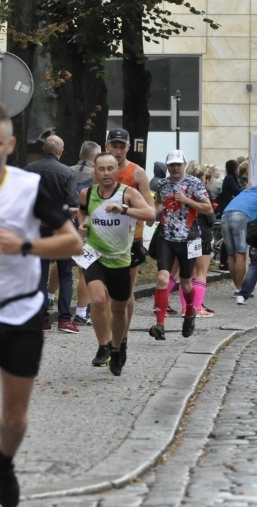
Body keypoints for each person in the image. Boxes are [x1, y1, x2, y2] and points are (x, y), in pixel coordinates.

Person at [0, 102, 83, 507]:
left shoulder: (29, 188)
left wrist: (24, 246)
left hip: (22, 312)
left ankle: (4, 462)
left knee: (14, 420)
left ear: (10, 145)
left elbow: (73, 242)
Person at [77, 152, 155, 374]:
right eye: (101, 169)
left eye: (110, 168)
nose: (106, 173)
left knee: (119, 309)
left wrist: (124, 209)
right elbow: (83, 214)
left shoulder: (128, 193)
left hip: (120, 258)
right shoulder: (87, 193)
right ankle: (103, 345)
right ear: (95, 172)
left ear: (117, 171)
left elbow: (150, 215)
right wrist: (83, 225)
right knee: (98, 300)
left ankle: (117, 347)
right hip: (94, 255)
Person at [150, 150, 213, 340]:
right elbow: (158, 203)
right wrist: (152, 213)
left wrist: (186, 200)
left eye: (179, 164)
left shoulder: (194, 183)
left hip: (189, 238)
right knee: (162, 278)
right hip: (166, 238)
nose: (175, 168)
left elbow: (208, 208)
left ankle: (191, 312)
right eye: (172, 165)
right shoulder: (162, 184)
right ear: (167, 166)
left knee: (186, 283)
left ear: (184, 165)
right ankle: (160, 325)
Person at [25, 134, 80, 334]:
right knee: (66, 275)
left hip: (38, 228)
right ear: (60, 151)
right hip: (61, 228)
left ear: (43, 150)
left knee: (40, 275)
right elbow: (72, 201)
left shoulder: (30, 169)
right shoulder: (66, 172)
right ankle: (65, 320)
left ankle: (42, 320)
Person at [108, 128, 154, 361]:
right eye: (114, 146)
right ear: (107, 146)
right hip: (104, 240)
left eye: (122, 147)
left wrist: (128, 210)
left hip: (130, 240)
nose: (118, 151)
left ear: (128, 148)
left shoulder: (137, 173)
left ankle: (122, 339)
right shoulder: (101, 171)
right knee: (105, 294)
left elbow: (150, 210)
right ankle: (109, 341)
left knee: (125, 294)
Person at [178, 163, 218, 318]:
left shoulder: (180, 190)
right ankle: (197, 307)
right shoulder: (203, 192)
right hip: (202, 234)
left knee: (187, 274)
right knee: (201, 272)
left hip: (185, 233)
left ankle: (185, 308)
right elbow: (211, 217)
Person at [222, 181, 257, 295]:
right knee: (240, 254)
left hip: (225, 215)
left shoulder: (246, 191)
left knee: (231, 255)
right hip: (241, 217)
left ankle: (237, 288)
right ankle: (240, 289)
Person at [69, 141, 100, 326]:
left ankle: (49, 296)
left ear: (81, 154)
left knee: (62, 262)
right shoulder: (95, 176)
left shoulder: (67, 170)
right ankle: (81, 311)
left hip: (65, 221)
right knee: (84, 268)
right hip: (85, 222)